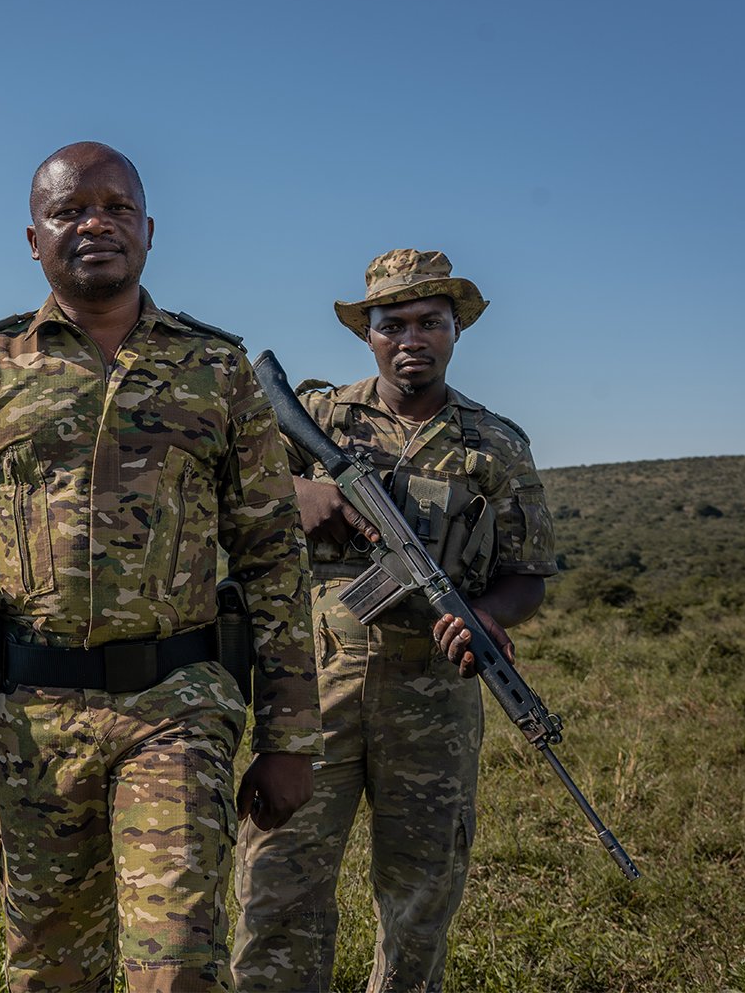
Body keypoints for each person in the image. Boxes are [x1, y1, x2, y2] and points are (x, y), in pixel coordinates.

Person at [0, 141, 322, 992]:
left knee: (178, 962)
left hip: (178, 705)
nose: (94, 224)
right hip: (32, 721)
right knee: (49, 967)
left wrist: (290, 736)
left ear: (150, 230)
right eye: (69, 211)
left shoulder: (216, 370)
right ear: (33, 237)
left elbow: (273, 556)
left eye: (116, 208)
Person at [231, 249, 559, 992]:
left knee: (420, 898)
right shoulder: (316, 417)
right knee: (279, 884)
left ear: (454, 332)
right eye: (393, 323)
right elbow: (229, 483)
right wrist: (301, 492)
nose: (412, 338)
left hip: (434, 699)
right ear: (368, 335)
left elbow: (529, 576)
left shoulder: (495, 446)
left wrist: (486, 616)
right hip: (313, 692)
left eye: (429, 323)